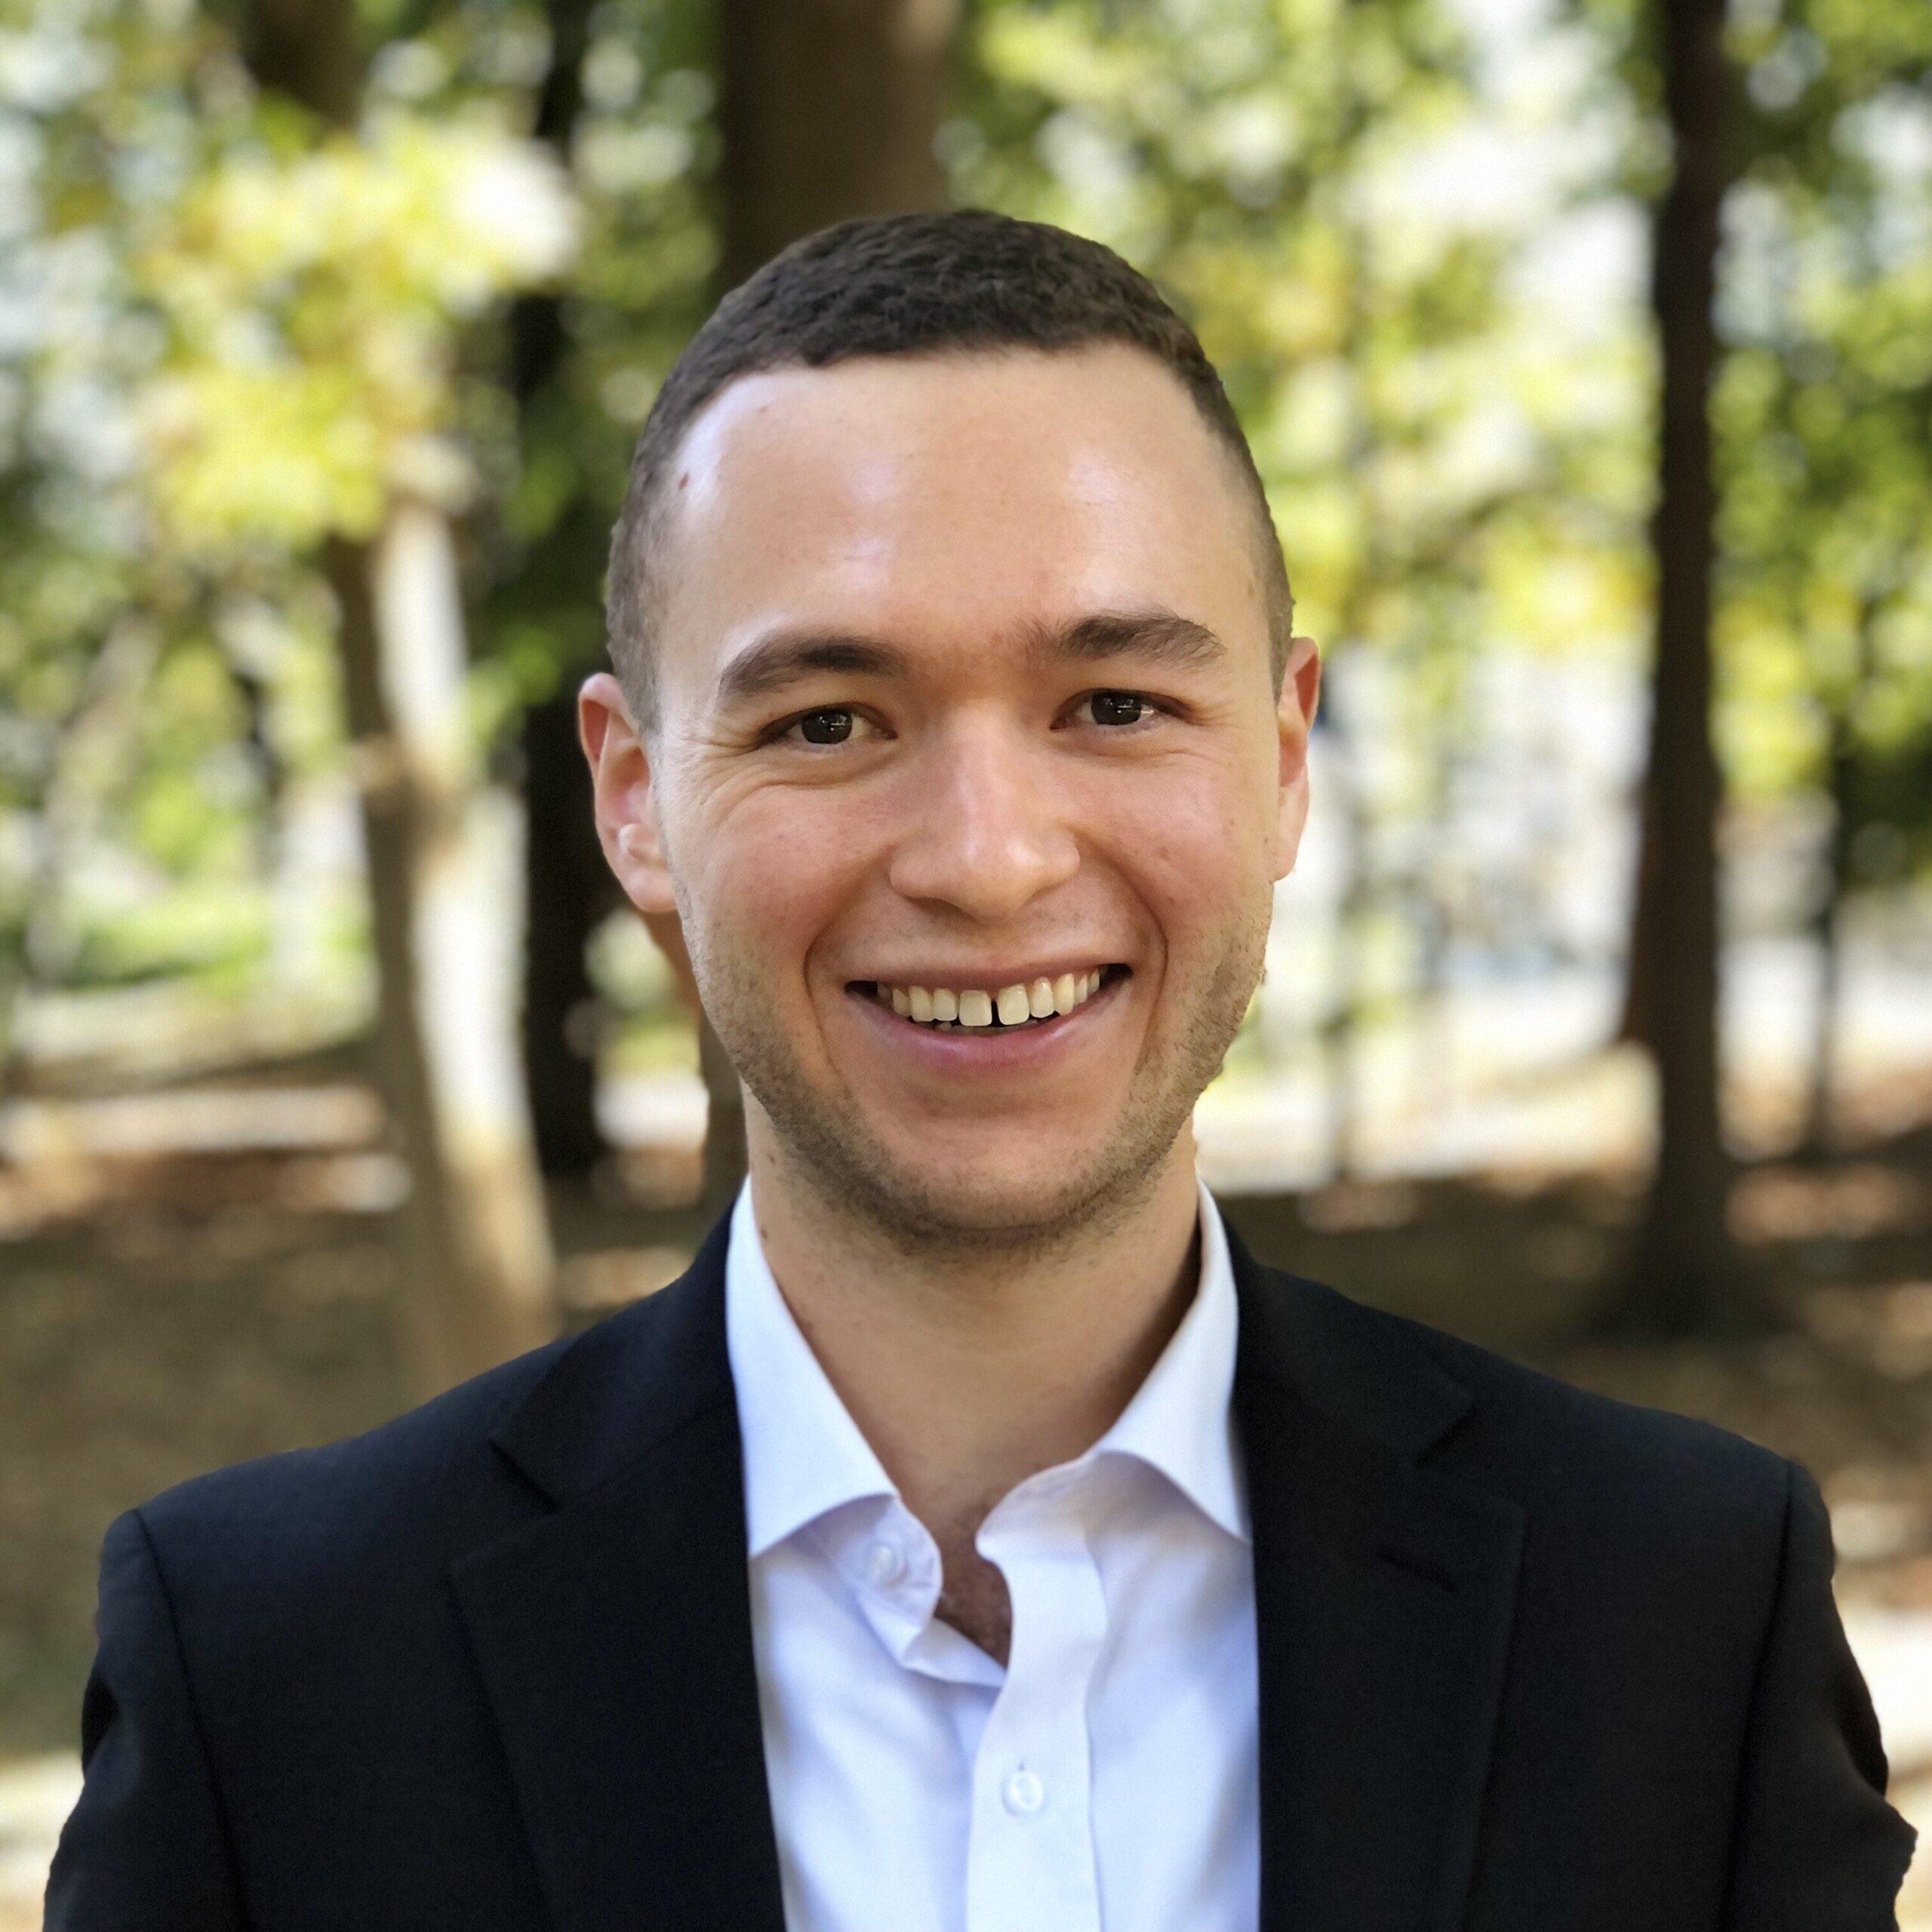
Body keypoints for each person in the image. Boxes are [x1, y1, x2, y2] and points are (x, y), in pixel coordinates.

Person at [47, 210, 1915, 1932]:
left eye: (1113, 704)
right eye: (829, 718)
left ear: (1281, 758)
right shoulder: (271, 1667)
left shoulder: (1679, 1608)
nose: (987, 856)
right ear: (637, 803)